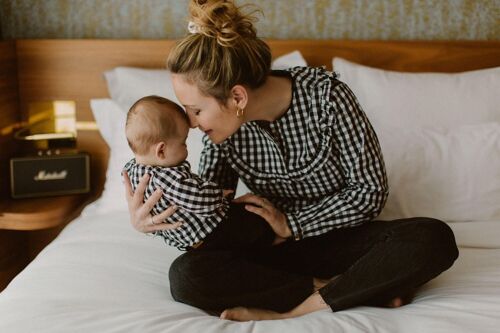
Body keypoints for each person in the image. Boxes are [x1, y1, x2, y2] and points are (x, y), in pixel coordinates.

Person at [123, 0, 459, 322]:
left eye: (196, 110)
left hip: (340, 239)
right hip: (272, 252)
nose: (192, 123)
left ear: (237, 96)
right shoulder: (223, 133)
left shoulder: (326, 97)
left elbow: (369, 192)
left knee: (432, 238)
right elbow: (215, 215)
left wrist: (292, 225)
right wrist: (150, 220)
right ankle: (351, 288)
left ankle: (296, 309)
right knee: (187, 275)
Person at [123, 95, 275, 252]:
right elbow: (197, 199)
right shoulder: (165, 178)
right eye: (183, 142)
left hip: (189, 241)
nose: (186, 148)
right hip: (210, 231)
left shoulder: (131, 171)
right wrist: (219, 194)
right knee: (254, 223)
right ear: (161, 150)